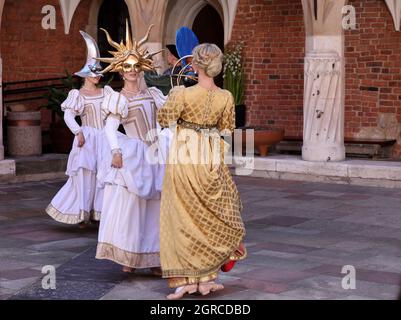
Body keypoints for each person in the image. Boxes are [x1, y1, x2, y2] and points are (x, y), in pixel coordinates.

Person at [157, 43, 246, 300]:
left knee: (184, 218)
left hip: (184, 155)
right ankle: (206, 278)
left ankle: (189, 280)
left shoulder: (181, 93)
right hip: (210, 155)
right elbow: (227, 128)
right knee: (207, 217)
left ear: (194, 66)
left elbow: (164, 119)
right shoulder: (226, 97)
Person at [95, 21, 167, 275]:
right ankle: (130, 257)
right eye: (127, 66)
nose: (133, 70)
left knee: (155, 210)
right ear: (120, 71)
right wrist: (115, 152)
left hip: (156, 154)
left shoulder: (154, 95)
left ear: (143, 67)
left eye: (137, 65)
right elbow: (109, 129)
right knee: (132, 209)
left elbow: (165, 121)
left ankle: (154, 258)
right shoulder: (117, 99)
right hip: (133, 158)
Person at [46, 31, 112, 226]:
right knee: (85, 175)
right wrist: (78, 131)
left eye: (99, 73)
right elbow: (68, 115)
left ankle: (98, 213)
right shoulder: (78, 94)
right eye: (94, 73)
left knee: (103, 175)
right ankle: (82, 213)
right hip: (88, 137)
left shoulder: (106, 92)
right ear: (86, 74)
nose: (97, 76)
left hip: (105, 137)